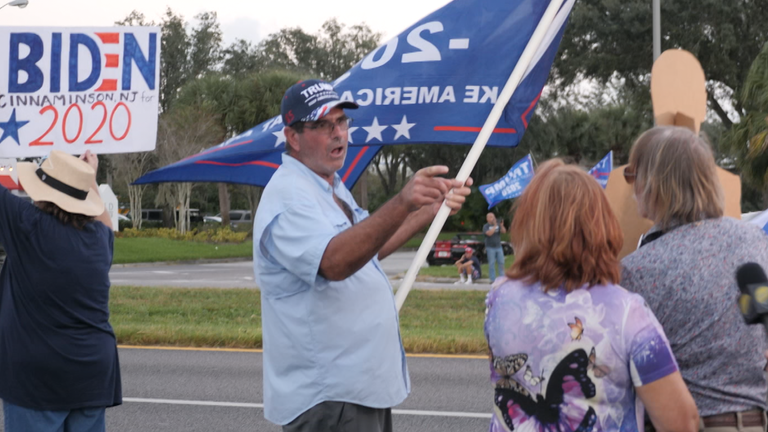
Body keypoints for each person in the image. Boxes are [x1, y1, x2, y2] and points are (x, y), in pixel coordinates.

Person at [253, 79, 473, 431]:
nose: (338, 133)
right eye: (323, 125)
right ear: (293, 137)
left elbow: (368, 248)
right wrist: (402, 200)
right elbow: (334, 262)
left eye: (341, 122)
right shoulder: (289, 196)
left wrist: (427, 210)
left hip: (357, 389)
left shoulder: (329, 186)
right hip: (330, 397)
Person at [485, 159, 699, 432]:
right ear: (600, 224)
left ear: (528, 223)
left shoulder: (499, 298)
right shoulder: (626, 312)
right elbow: (680, 421)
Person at [621, 126, 768, 431]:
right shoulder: (755, 241)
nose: (631, 187)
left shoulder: (638, 269)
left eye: (633, 175)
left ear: (654, 182)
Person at [0, 150, 121, 432]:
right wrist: (89, 178)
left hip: (36, 377)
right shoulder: (99, 240)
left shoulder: (27, 225)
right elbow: (106, 223)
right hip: (93, 371)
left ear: (42, 193)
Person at [483, 212, 506, 281]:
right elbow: (489, 233)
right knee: (492, 263)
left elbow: (504, 232)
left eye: (494, 217)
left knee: (501, 262)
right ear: (488, 219)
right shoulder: (486, 226)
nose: (494, 218)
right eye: (491, 217)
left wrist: (501, 226)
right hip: (490, 247)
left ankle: (502, 278)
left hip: (498, 246)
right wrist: (495, 226)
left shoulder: (497, 225)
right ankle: (492, 279)